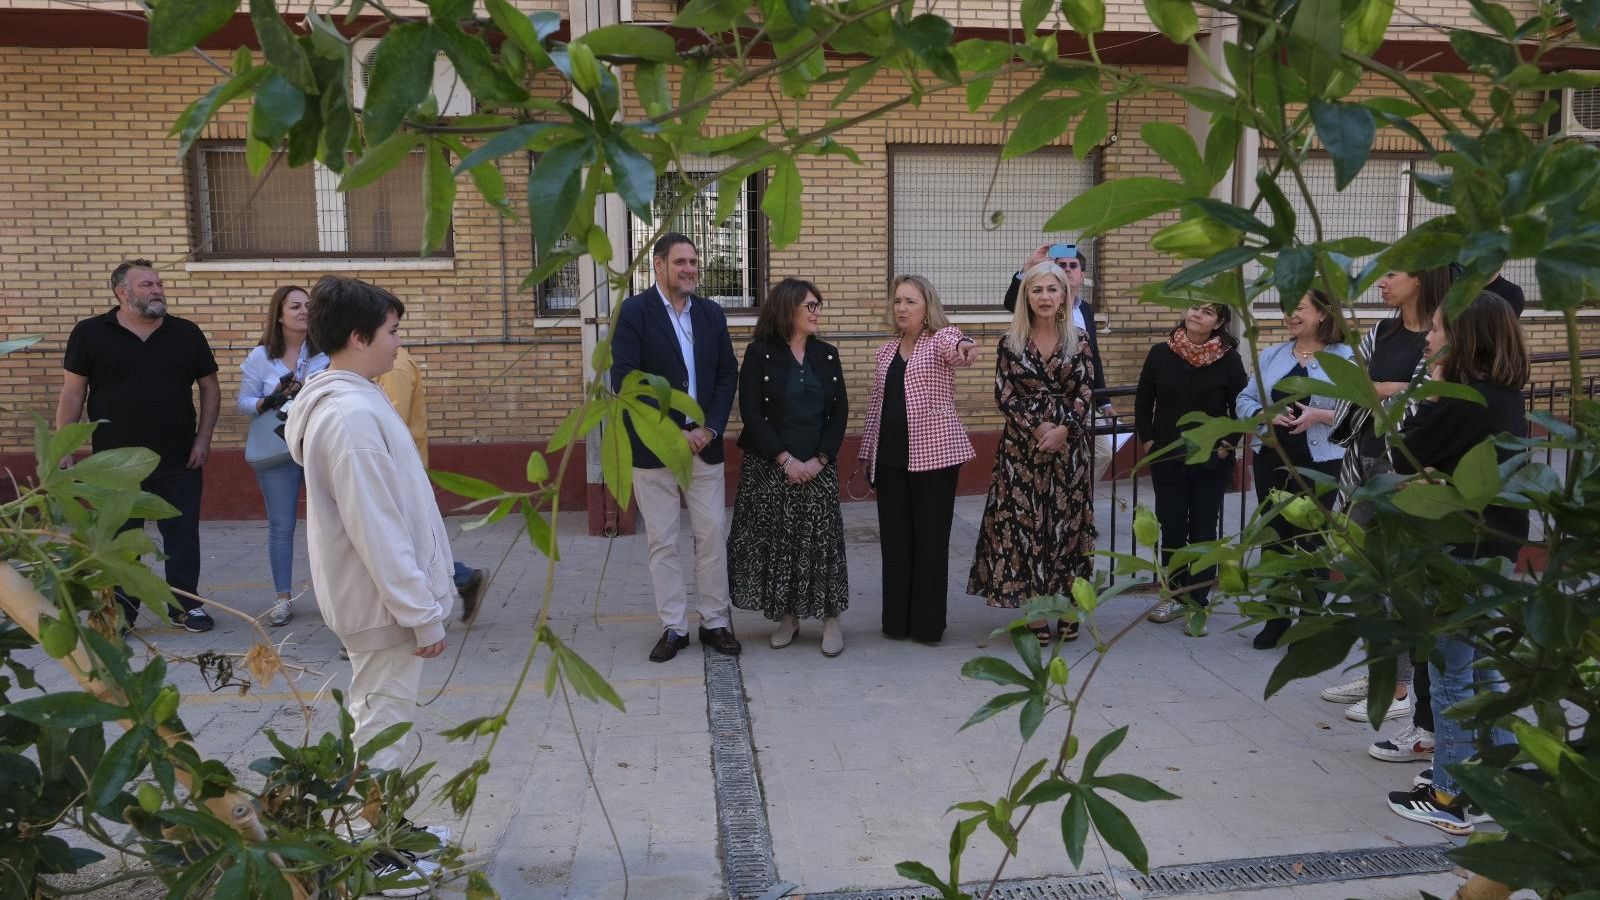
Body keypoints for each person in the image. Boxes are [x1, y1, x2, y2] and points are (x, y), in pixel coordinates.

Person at [284, 276, 455, 889]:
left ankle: (387, 829)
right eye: (391, 331)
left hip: (382, 603)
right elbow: (377, 529)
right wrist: (421, 612)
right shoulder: (351, 418)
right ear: (358, 337)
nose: (398, 342)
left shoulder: (359, 398)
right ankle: (371, 850)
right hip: (382, 606)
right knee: (382, 725)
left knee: (378, 716)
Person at [1385, 291, 1528, 835]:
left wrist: (1428, 392)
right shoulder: (1503, 395)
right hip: (1495, 548)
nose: (1428, 337)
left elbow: (1400, 453)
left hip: (1458, 553)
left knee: (1451, 677)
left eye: (1439, 329)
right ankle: (1500, 782)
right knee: (1485, 669)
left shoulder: (1464, 398)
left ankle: (1449, 795)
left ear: (1464, 337)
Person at [1322, 268, 1451, 751]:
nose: (1382, 281)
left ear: (1422, 280)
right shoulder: (1382, 330)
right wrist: (1389, 388)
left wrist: (1384, 389)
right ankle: (1381, 669)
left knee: (1398, 573)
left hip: (1406, 464)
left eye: (1393, 272)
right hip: (1363, 457)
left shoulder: (1441, 334)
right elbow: (1354, 387)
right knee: (1356, 566)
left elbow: (1426, 400)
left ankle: (1399, 686)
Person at [56, 259, 220, 633]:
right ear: (122, 292)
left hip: (180, 457)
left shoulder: (186, 333)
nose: (157, 290)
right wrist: (62, 446)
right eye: (147, 285)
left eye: (158, 284)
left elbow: (210, 388)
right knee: (120, 538)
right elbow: (72, 394)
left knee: (182, 534)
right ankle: (121, 613)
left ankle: (185, 606)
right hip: (115, 464)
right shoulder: (90, 333)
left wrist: (204, 439)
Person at [610, 233, 742, 662]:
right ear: (659, 266)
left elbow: (726, 375)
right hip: (655, 451)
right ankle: (674, 627)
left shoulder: (710, 314)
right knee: (662, 541)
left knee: (711, 536)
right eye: (681, 261)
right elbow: (626, 381)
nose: (690, 268)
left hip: (704, 447)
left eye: (694, 261)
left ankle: (715, 622)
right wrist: (672, 432)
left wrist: (711, 427)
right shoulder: (634, 313)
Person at [968, 262, 1096, 644]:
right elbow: (1003, 394)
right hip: (1020, 451)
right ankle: (1034, 607)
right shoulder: (1010, 342)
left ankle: (1069, 605)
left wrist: (1062, 430)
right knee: (1024, 528)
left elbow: (1086, 392)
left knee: (1067, 527)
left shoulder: (1081, 340)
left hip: (1068, 450)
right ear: (1027, 296)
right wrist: (1038, 427)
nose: (1044, 297)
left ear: (1063, 295)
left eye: (1051, 290)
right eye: (1037, 290)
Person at [727, 279, 850, 655]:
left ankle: (831, 620)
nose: (817, 313)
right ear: (788, 309)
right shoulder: (759, 354)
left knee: (823, 543)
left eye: (818, 306)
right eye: (810, 306)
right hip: (771, 467)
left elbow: (839, 411)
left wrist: (820, 460)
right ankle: (789, 617)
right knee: (782, 545)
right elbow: (751, 413)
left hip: (818, 465)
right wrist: (785, 460)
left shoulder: (827, 355)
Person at [860, 275, 979, 644]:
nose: (902, 308)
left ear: (927, 306)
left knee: (930, 542)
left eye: (910, 301)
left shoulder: (938, 341)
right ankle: (897, 622)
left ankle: (927, 626)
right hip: (891, 460)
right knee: (895, 542)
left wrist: (963, 343)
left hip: (936, 458)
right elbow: (876, 406)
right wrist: (867, 453)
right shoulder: (885, 351)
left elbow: (955, 344)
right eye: (897, 301)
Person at [1235, 291, 1351, 649]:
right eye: (1288, 308)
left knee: (1312, 542)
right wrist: (1262, 417)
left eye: (1299, 308)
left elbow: (1362, 408)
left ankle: (1309, 622)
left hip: (1321, 463)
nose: (1290, 314)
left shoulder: (1345, 357)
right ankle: (1276, 617)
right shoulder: (1271, 354)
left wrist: (1320, 416)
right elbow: (1245, 398)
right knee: (1275, 538)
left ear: (1322, 313)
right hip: (1273, 459)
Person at [1135, 301, 1248, 634]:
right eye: (1194, 308)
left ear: (1219, 324)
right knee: (1171, 528)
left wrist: (1230, 445)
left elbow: (1240, 406)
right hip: (1167, 455)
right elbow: (1144, 401)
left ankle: (1197, 601)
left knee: (1202, 529)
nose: (1198, 315)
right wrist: (1149, 442)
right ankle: (1174, 593)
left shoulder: (1229, 359)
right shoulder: (1161, 353)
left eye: (1208, 312)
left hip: (1211, 458)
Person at [237, 285, 329, 627]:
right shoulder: (261, 357)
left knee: (331, 522)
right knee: (281, 525)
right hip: (278, 450)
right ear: (279, 315)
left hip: (318, 444)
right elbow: (243, 403)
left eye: (308, 305)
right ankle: (282, 599)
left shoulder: (326, 354)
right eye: (295, 306)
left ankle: (333, 596)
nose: (304, 310)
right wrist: (269, 398)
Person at [376, 346, 488, 623]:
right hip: (394, 469)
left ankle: (404, 615)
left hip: (398, 471)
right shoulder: (383, 363)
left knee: (397, 544)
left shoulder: (393, 367)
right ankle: (463, 578)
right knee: (408, 543)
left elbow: (389, 426)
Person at [1004, 243, 1117, 481]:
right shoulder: (1038, 309)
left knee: (1101, 452)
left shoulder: (1084, 310)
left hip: (1076, 406)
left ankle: (1081, 493)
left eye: (1072, 265)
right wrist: (1028, 268)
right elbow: (1014, 303)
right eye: (1061, 265)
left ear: (1081, 274)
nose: (1067, 269)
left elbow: (1092, 359)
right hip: (1035, 413)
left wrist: (1104, 402)